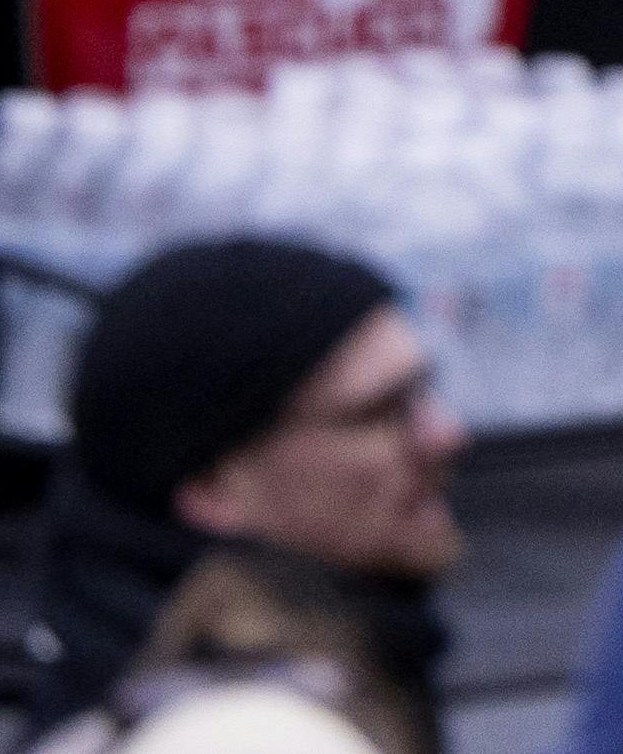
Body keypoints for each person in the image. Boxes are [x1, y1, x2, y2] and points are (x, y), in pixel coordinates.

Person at [27, 241, 458, 721]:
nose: (445, 437)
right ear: (212, 485)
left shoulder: (344, 659)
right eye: (378, 413)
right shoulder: (233, 726)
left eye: (424, 390)